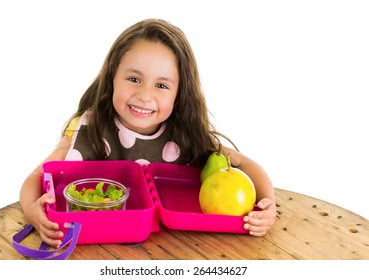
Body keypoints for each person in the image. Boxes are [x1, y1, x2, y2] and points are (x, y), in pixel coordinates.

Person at [20, 18, 276, 248]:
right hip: (93, 247)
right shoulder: (90, 126)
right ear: (112, 77)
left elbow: (247, 167)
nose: (144, 95)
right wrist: (35, 213)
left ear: (180, 94)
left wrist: (267, 205)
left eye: (162, 85)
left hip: (176, 251)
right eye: (134, 79)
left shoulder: (185, 136)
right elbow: (37, 176)